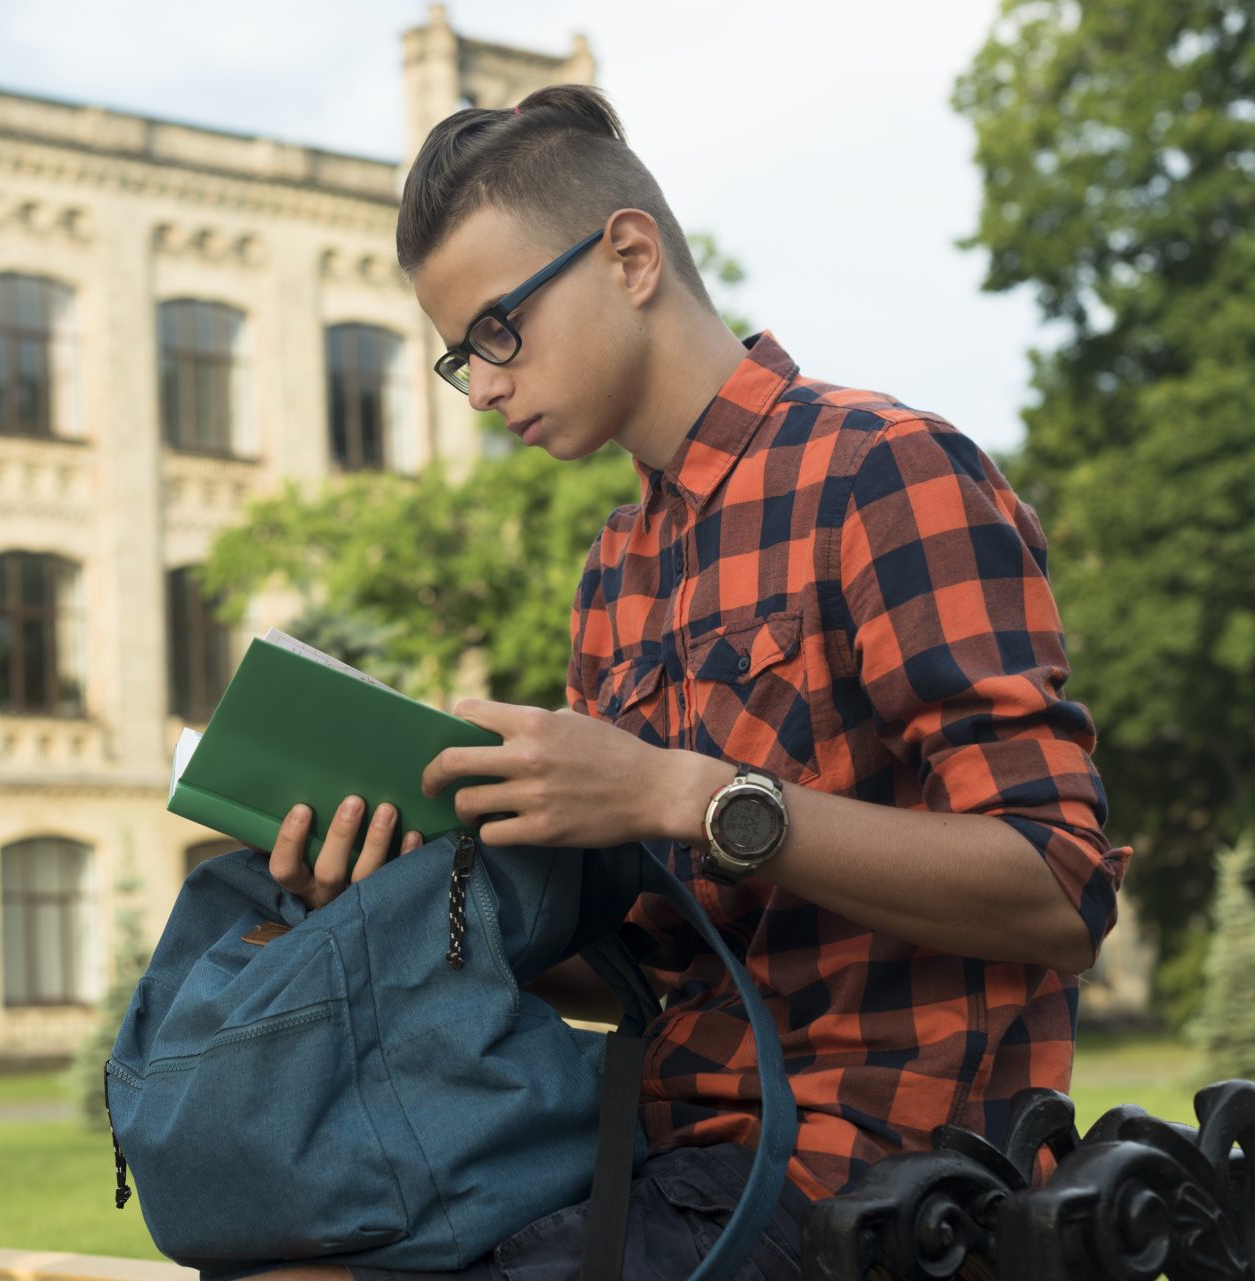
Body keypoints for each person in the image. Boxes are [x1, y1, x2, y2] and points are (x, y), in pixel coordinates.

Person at [248, 85, 1131, 1281]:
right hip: (653, 1151)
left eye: (499, 330)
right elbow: (652, 963)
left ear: (628, 255)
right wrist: (393, 892)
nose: (486, 385)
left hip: (875, 1185)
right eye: (463, 359)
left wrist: (683, 795)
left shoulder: (886, 474)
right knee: (270, 1244)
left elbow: (1058, 892)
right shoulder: (617, 570)